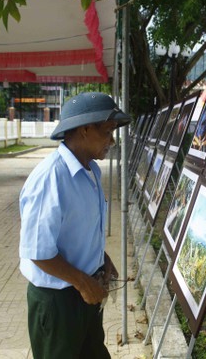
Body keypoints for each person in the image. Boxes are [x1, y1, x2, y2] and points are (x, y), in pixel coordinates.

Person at [18, 92, 131, 358]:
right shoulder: (51, 179)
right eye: (108, 132)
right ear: (84, 129)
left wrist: (101, 259)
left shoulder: (91, 170)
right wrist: (83, 283)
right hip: (58, 302)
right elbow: (37, 252)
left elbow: (78, 229)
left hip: (84, 292)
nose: (112, 141)